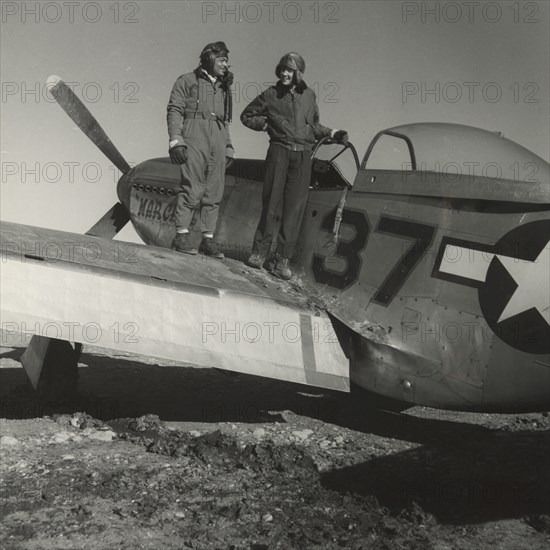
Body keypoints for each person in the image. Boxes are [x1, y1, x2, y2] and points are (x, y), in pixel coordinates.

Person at [240, 52, 348, 280]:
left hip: (303, 156)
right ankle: (259, 253)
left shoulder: (309, 96)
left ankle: (281, 261)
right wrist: (266, 125)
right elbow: (246, 116)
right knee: (271, 204)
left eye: (289, 70)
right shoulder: (271, 94)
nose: (284, 74)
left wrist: (333, 133)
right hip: (279, 151)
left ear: (298, 73)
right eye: (282, 70)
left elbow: (314, 127)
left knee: (293, 211)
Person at [167, 41, 235, 259]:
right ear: (208, 59)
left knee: (214, 191)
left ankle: (207, 239)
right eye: (222, 60)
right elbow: (175, 109)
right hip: (195, 134)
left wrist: (228, 145)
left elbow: (224, 120)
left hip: (217, 137)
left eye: (227, 60)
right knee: (192, 187)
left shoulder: (223, 88)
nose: (226, 65)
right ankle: (181, 236)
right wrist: (176, 140)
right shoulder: (186, 81)